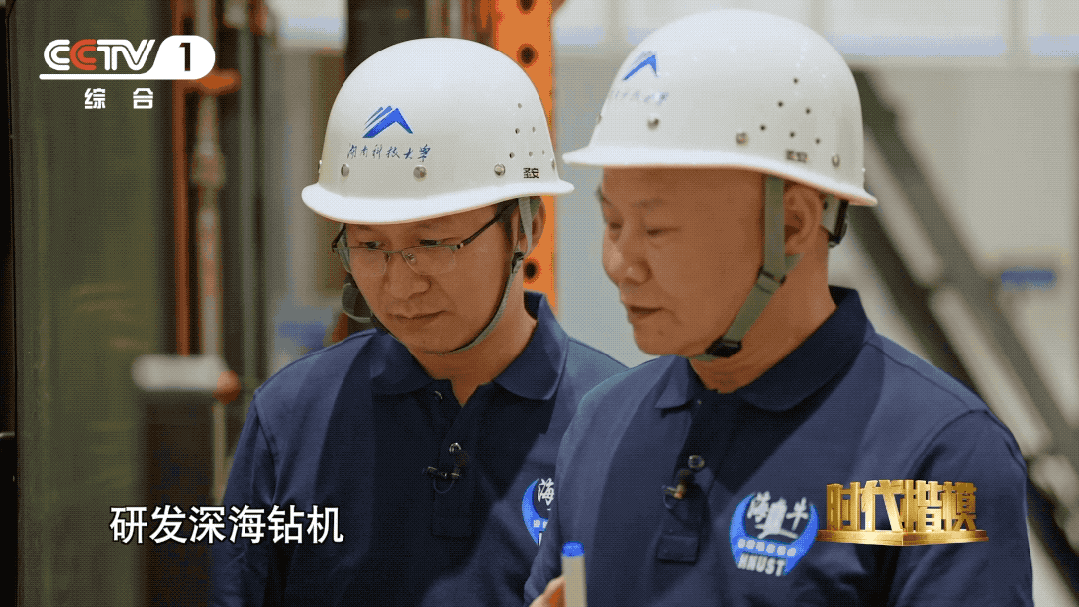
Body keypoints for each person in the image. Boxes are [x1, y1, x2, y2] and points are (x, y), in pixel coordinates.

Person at [525, 9, 1032, 606]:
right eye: (612, 222)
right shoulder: (604, 427)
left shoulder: (929, 461)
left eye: (657, 229)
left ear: (792, 224)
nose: (619, 263)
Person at [210, 38, 625, 606]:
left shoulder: (616, 425)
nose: (400, 285)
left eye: (434, 243)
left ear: (526, 226)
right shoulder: (292, 419)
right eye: (369, 245)